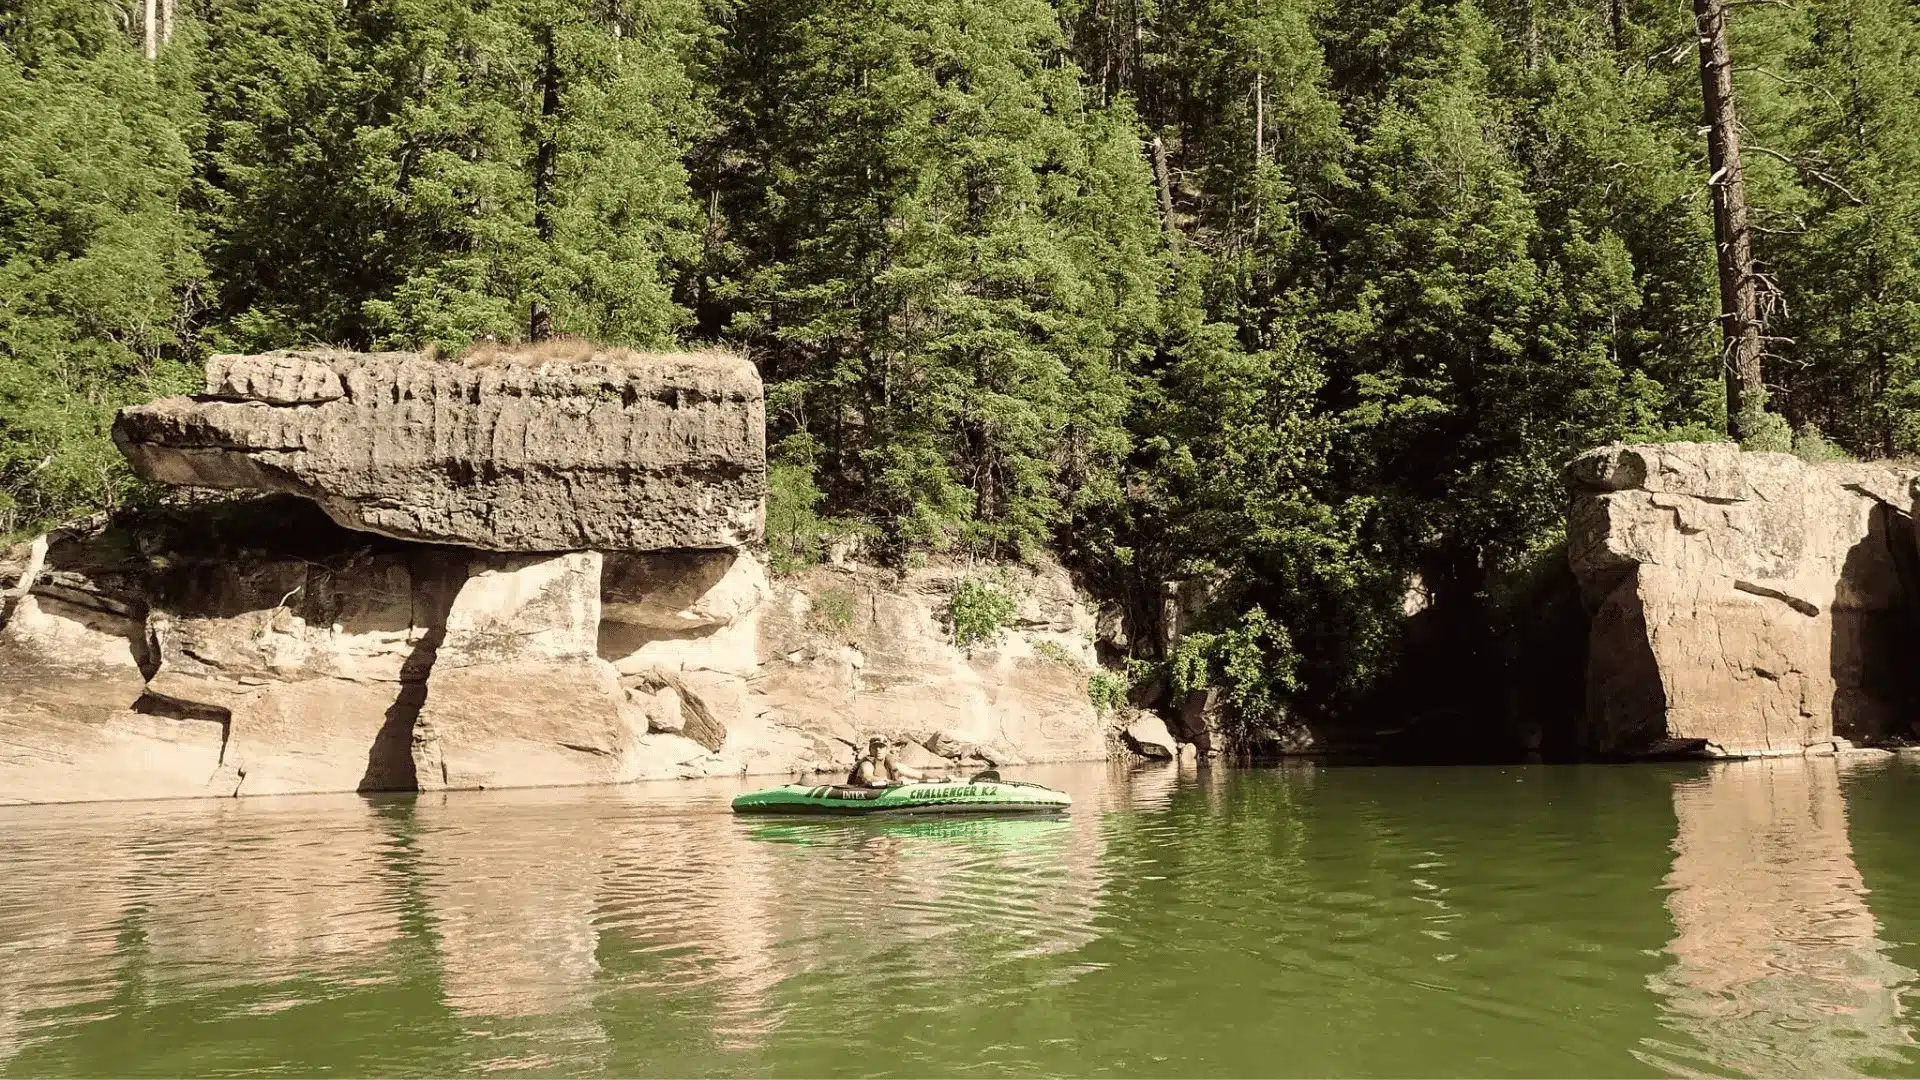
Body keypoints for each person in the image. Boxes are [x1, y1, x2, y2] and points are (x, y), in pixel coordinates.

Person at [848, 736, 948, 787]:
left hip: (886, 786)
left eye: (881, 747)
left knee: (904, 776)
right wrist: (889, 782)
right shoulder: (867, 764)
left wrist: (941, 778)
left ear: (886, 750)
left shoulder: (892, 764)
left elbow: (920, 775)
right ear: (870, 750)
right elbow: (867, 777)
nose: (878, 750)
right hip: (865, 794)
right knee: (902, 779)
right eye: (875, 747)